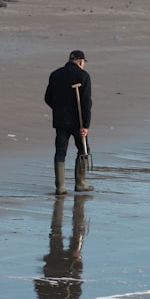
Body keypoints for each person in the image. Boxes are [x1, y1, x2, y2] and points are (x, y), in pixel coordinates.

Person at [44, 50, 94, 195]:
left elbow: (48, 98)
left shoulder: (55, 74)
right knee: (84, 150)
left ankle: (60, 187)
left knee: (60, 152)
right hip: (77, 122)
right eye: (84, 62)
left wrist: (59, 109)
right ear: (80, 61)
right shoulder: (83, 76)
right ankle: (80, 183)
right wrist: (86, 125)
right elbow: (86, 103)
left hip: (60, 121)